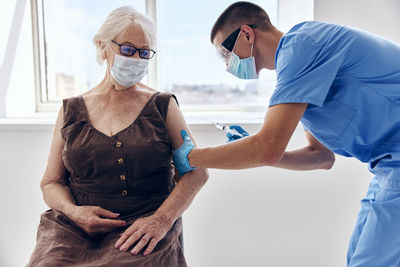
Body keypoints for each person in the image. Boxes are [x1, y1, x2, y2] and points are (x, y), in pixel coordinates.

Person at [173, 1, 400, 266]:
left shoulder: (302, 44)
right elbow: (320, 157)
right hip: (387, 167)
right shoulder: (300, 79)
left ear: (247, 33)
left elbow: (266, 148)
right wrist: (261, 150)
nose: (227, 65)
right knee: (357, 257)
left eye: (225, 54)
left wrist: (193, 157)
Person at [27, 6, 208, 267]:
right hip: (74, 227)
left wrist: (160, 222)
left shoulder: (163, 106)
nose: (136, 58)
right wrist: (74, 212)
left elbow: (195, 173)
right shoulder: (71, 110)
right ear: (102, 47)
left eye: (144, 52)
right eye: (127, 49)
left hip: (142, 225)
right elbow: (51, 182)